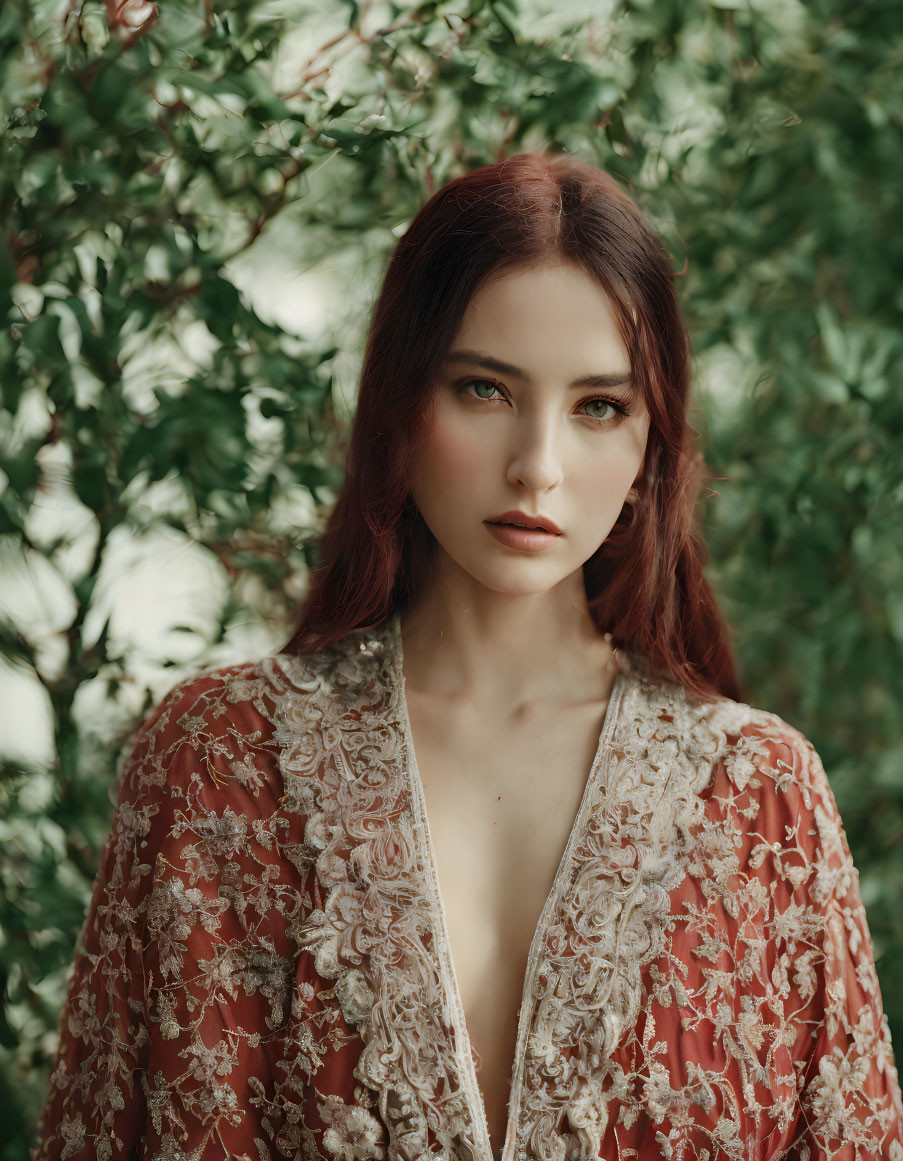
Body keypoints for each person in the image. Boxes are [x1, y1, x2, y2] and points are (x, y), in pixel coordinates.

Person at [31, 152, 903, 1161]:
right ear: (403, 405)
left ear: (647, 454)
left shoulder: (762, 798)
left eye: (599, 407)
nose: (537, 464)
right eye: (486, 389)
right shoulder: (215, 765)